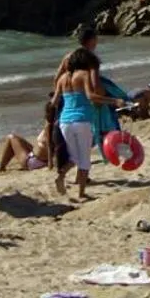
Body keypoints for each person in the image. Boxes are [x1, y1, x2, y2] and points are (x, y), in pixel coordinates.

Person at [51, 47, 122, 201]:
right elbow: (91, 96)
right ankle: (81, 193)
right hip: (82, 120)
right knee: (84, 159)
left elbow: (54, 101)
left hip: (65, 122)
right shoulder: (83, 75)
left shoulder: (62, 79)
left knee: (75, 157)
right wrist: (113, 100)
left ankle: (60, 176)